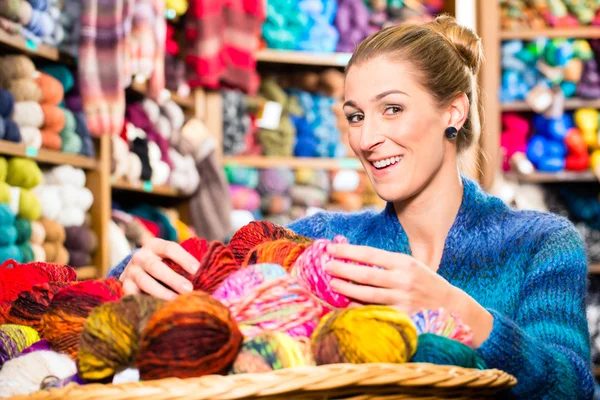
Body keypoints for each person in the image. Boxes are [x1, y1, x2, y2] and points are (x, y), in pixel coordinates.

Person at [108, 15, 594, 399]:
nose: (365, 138)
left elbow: (572, 388)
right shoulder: (327, 238)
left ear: (454, 111)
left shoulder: (540, 244)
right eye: (355, 116)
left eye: (392, 109)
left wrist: (455, 308)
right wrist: (137, 270)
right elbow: (223, 269)